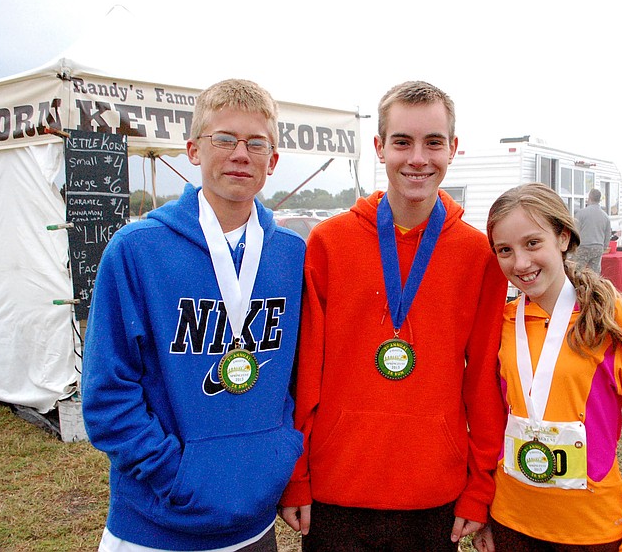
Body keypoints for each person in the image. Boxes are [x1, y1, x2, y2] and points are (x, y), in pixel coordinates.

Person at [279, 80, 508, 551]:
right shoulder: (329, 243)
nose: (418, 158)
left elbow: (483, 378)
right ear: (380, 147)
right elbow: (306, 374)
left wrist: (480, 486)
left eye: (433, 142)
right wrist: (297, 476)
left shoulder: (477, 254)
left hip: (435, 492)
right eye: (402, 141)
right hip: (336, 487)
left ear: (453, 149)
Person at [82, 79, 306, 552]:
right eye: (223, 139)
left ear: (273, 160)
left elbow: (298, 378)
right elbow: (107, 395)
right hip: (156, 525)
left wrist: (276, 459)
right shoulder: (136, 251)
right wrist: (175, 475)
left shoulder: (291, 256)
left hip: (255, 523)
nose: (240, 154)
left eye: (256, 143)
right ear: (193, 150)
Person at [473, 182, 622, 551]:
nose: (520, 263)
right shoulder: (500, 322)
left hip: (591, 531)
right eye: (505, 250)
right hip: (509, 523)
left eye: (532, 243)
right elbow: (490, 424)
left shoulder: (610, 318)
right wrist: (482, 509)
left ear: (563, 237)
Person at [571, 188, 611, 274]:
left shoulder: (581, 213)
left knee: (576, 271)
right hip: (598, 247)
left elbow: (575, 230)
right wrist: (604, 246)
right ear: (599, 199)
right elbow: (608, 234)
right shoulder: (605, 216)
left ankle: (577, 286)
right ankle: (594, 286)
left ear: (589, 198)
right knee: (595, 273)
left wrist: (573, 245)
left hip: (583, 246)